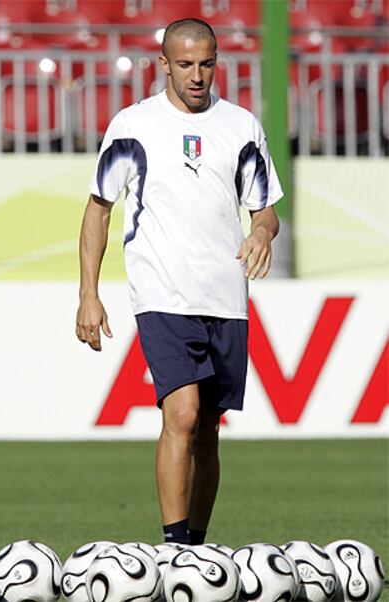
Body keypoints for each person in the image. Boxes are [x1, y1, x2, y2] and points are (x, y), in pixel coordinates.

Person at [76, 18, 282, 545]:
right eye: (185, 64)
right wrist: (89, 295)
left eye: (206, 64)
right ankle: (173, 549)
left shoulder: (240, 126)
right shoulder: (132, 125)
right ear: (163, 63)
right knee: (183, 414)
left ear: (217, 62)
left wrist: (261, 232)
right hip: (162, 290)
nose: (196, 75)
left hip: (226, 295)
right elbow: (98, 210)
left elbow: (264, 210)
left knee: (209, 430)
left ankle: (196, 547)